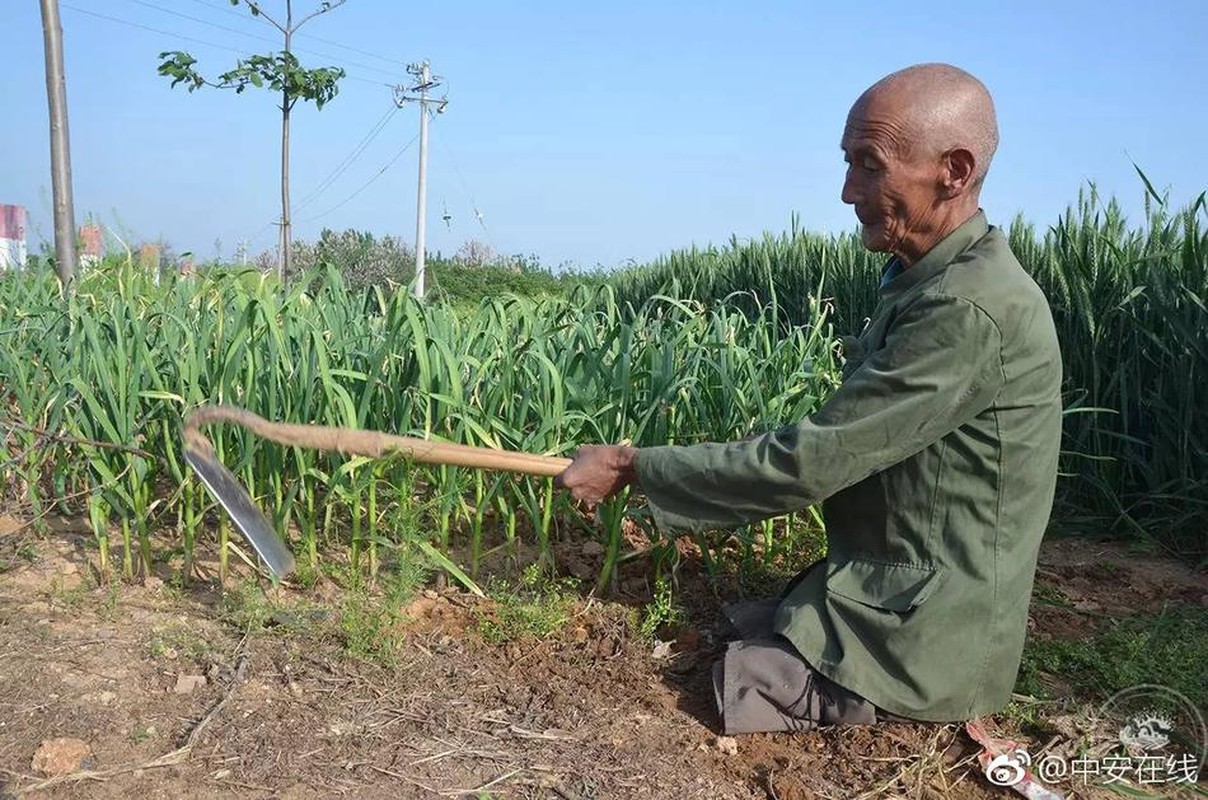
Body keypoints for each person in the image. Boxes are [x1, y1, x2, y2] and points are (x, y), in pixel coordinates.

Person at [554, 62, 1063, 734]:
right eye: (848, 163)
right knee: (748, 624)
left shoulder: (968, 309)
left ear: (954, 171)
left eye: (869, 165)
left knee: (733, 680)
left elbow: (813, 460)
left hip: (929, 639)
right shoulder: (927, 280)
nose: (848, 190)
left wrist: (636, 468)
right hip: (895, 582)